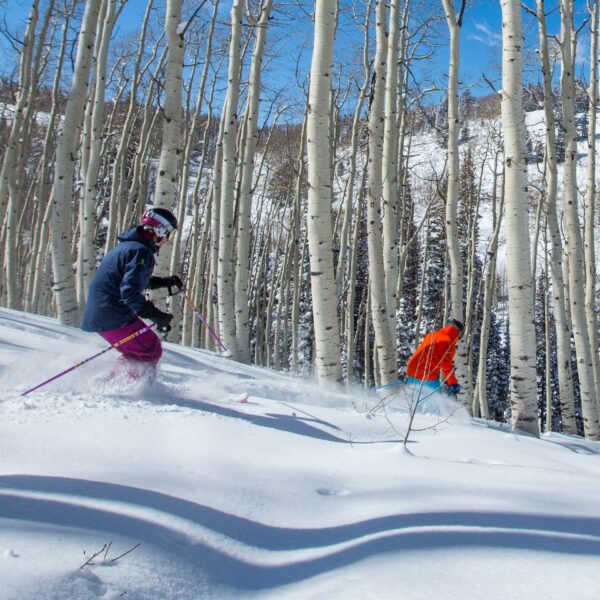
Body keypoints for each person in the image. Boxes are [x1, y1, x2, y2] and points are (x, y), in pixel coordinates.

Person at [81, 207, 183, 381]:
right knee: (149, 349)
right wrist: (156, 315)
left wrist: (163, 283)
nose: (167, 240)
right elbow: (129, 292)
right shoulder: (141, 252)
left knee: (139, 350)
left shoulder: (130, 247)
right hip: (110, 313)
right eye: (170, 234)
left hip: (102, 311)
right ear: (160, 229)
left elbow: (130, 280)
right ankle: (127, 387)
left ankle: (111, 382)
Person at [405, 319, 464, 406]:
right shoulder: (448, 342)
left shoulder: (432, 335)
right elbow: (446, 366)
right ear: (458, 335)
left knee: (416, 400)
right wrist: (453, 383)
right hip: (427, 374)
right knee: (436, 402)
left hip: (411, 370)